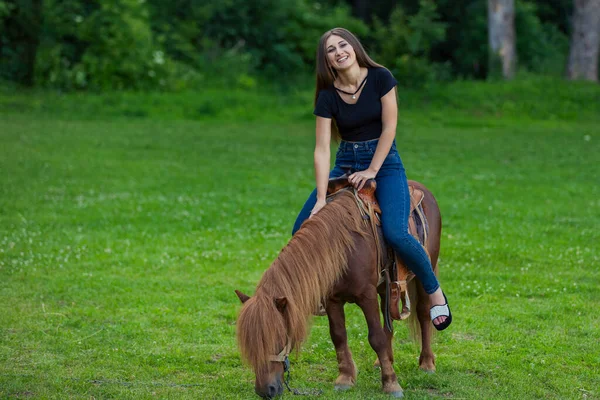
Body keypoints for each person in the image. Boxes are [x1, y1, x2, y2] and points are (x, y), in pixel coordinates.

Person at [291, 27, 452, 331]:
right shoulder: (328, 95)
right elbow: (322, 149)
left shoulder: (380, 78)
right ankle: (319, 294)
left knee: (396, 232)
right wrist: (323, 198)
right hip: (346, 162)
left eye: (343, 45)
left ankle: (434, 292)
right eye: (331, 50)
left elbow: (390, 128)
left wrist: (372, 171)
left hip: (386, 162)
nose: (339, 52)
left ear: (354, 47)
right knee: (299, 228)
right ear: (326, 60)